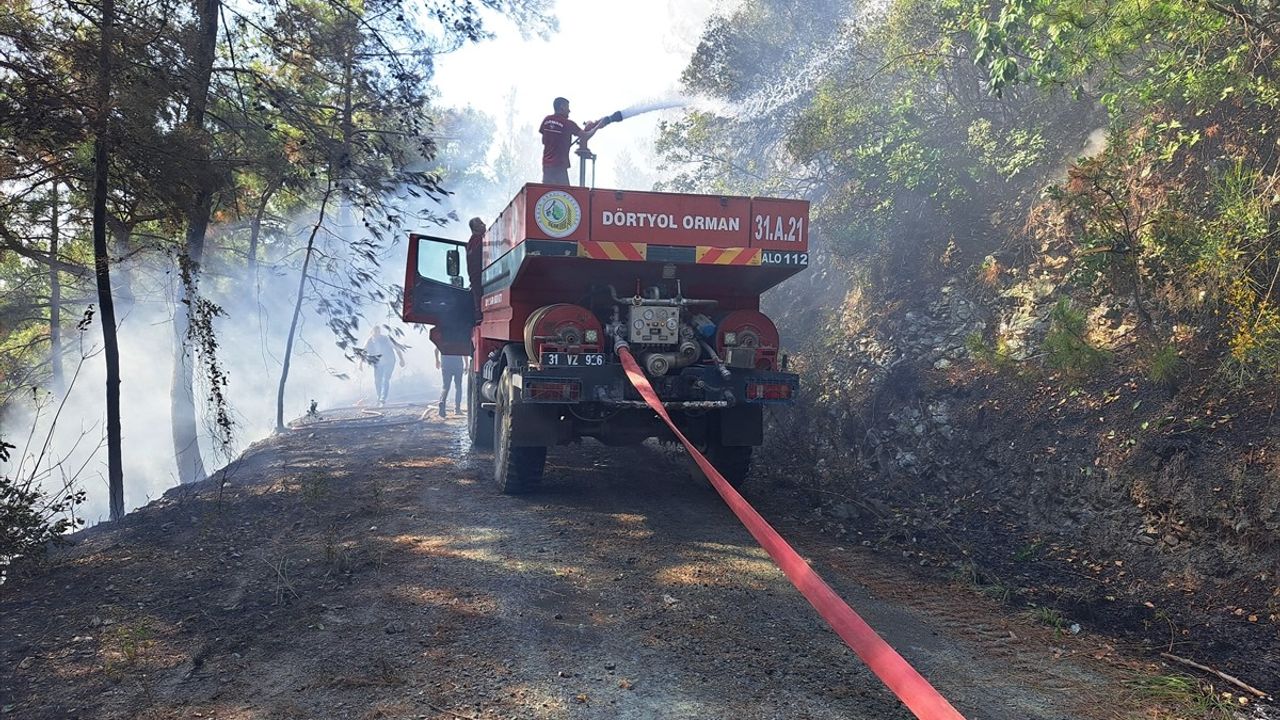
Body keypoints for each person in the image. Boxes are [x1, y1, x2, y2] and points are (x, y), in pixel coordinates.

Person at [539, 97, 595, 185]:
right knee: (564, 194)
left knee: (547, 192)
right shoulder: (568, 124)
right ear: (562, 107)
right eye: (567, 107)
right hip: (560, 166)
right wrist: (597, 126)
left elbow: (544, 141)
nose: (569, 111)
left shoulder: (546, 120)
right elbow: (585, 136)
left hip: (546, 166)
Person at [363, 325, 403, 406]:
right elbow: (363, 352)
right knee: (377, 380)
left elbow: (396, 348)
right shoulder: (369, 341)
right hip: (378, 364)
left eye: (378, 332)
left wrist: (402, 359)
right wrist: (360, 364)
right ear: (371, 333)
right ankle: (379, 397)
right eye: (375, 332)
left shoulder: (385, 339)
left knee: (385, 379)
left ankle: (382, 398)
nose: (377, 334)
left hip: (389, 362)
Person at [435, 346, 467, 417]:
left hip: (446, 364)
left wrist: (437, 361)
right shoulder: (459, 339)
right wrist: (467, 364)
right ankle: (457, 409)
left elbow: (436, 350)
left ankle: (442, 401)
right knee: (458, 387)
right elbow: (464, 352)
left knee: (445, 386)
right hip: (458, 365)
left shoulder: (443, 339)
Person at [466, 217, 486, 319]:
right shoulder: (476, 241)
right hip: (478, 277)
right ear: (474, 228)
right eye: (480, 224)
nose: (484, 225)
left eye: (483, 222)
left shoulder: (474, 241)